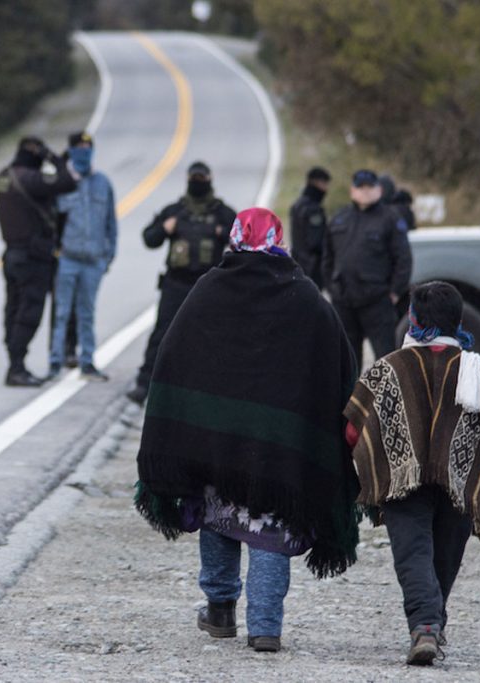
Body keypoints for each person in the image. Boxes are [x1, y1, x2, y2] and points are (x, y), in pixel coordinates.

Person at [135, 208, 360, 653]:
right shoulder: (306, 297)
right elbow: (340, 365)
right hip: (280, 448)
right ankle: (265, 628)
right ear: (279, 240)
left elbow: (174, 355)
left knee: (220, 517)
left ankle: (220, 611)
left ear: (236, 238)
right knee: (270, 528)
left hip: (220, 441)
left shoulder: (210, 289)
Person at [344, 281, 480, 666]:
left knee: (413, 554)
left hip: (402, 482)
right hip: (459, 483)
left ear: (414, 319)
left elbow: (352, 429)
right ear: (458, 321)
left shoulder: (388, 369)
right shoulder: (475, 372)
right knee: (445, 555)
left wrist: (379, 452)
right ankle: (431, 623)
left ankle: (426, 626)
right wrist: (470, 463)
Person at [125, 162, 236, 404]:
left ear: (210, 178)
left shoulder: (222, 213)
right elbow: (149, 239)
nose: (197, 181)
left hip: (208, 288)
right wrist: (165, 229)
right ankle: (145, 385)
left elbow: (243, 241)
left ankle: (215, 391)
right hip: (175, 284)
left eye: (201, 177)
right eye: (194, 177)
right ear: (187, 179)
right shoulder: (174, 211)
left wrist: (223, 233)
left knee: (214, 338)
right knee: (162, 335)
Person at [0, 136, 77, 387]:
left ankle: (14, 361)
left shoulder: (1, 178)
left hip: (11, 254)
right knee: (29, 311)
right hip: (33, 256)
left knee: (13, 309)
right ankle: (16, 367)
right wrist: (53, 158)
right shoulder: (30, 179)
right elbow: (66, 182)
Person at [322, 169, 412, 369]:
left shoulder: (390, 218)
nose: (365, 192)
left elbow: (403, 259)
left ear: (378, 190)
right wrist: (332, 288)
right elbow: (327, 257)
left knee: (387, 359)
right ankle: (353, 398)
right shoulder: (340, 218)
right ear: (352, 190)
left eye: (369, 187)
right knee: (346, 359)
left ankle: (389, 398)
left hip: (377, 301)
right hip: (344, 300)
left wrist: (395, 293)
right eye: (360, 188)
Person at [47, 131, 118, 381]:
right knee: (62, 312)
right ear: (71, 150)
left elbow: (111, 222)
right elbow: (51, 220)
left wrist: (108, 256)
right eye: (79, 146)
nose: (84, 151)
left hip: (93, 260)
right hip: (67, 257)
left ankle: (87, 361)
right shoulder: (63, 183)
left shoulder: (102, 183)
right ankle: (55, 361)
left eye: (88, 146)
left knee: (87, 313)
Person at [288, 166, 331, 288]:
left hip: (297, 263)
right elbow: (315, 242)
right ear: (317, 183)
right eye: (324, 184)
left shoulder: (297, 205)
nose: (326, 189)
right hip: (312, 267)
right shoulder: (314, 209)